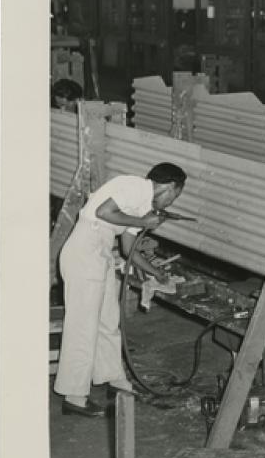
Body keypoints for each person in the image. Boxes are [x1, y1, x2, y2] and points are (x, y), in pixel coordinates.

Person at [54, 163, 187, 417]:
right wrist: (142, 220)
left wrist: (155, 271)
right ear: (170, 187)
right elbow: (105, 212)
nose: (171, 202)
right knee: (83, 325)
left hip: (100, 253)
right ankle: (74, 396)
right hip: (84, 251)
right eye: (175, 196)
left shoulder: (143, 206)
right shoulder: (134, 186)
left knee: (108, 320)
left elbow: (128, 249)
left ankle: (113, 379)